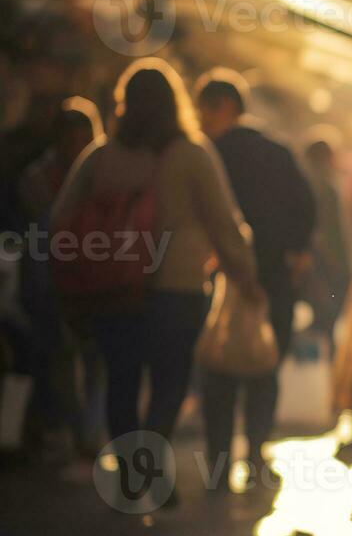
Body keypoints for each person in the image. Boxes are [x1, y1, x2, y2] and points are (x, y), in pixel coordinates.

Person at [52, 59, 257, 474]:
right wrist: (245, 275)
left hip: (112, 286)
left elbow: (60, 220)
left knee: (121, 381)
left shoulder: (102, 155)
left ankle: (131, 469)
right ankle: (149, 461)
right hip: (177, 288)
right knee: (170, 382)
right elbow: (223, 221)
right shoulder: (192, 153)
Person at [194, 68, 316, 482]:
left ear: (224, 107)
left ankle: (219, 460)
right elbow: (306, 206)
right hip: (272, 276)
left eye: (204, 110)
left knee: (218, 368)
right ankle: (258, 450)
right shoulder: (276, 152)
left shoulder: (207, 153)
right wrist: (298, 252)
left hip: (218, 276)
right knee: (265, 364)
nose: (200, 119)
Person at [19, 99, 105, 469]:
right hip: (54, 282)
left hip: (96, 281)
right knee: (63, 356)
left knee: (95, 358)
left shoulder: (103, 172)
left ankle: (89, 431)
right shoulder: (39, 179)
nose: (76, 147)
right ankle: (76, 429)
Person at [302, 132, 352, 349]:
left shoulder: (312, 181)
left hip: (324, 256)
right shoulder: (324, 184)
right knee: (329, 309)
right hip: (329, 258)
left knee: (325, 310)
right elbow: (322, 227)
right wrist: (333, 257)